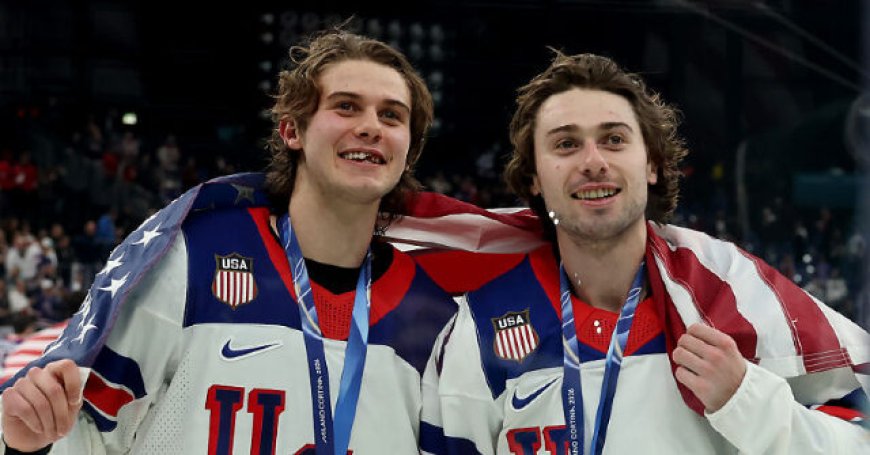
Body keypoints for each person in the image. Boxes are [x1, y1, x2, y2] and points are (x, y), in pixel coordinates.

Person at [0, 29, 457, 454]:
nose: (371, 126)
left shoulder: (434, 313)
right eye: (346, 106)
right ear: (291, 131)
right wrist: (26, 443)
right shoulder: (190, 258)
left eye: (391, 115)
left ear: (407, 149)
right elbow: (80, 435)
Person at [417, 52, 869, 454]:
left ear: (651, 164)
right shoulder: (481, 327)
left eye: (613, 139)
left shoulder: (733, 298)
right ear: (534, 176)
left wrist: (748, 401)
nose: (593, 160)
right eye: (566, 144)